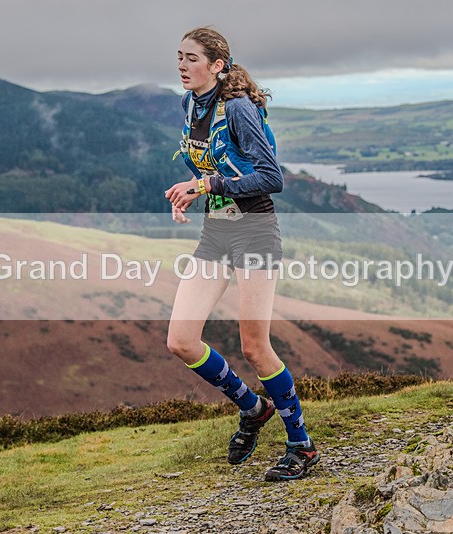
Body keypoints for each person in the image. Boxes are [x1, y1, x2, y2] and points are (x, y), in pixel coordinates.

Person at [164, 26, 319, 481]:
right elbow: (211, 168)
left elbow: (271, 177)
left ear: (217, 65)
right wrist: (193, 194)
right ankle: (252, 408)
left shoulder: (238, 109)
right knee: (181, 341)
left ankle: (302, 446)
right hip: (216, 232)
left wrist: (208, 184)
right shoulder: (190, 105)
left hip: (255, 230)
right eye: (178, 57)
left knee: (255, 347)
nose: (181, 65)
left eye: (191, 58)